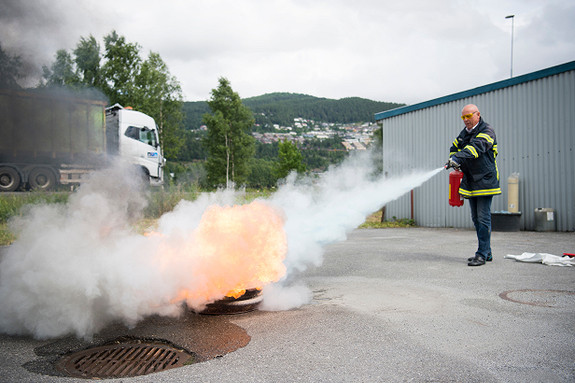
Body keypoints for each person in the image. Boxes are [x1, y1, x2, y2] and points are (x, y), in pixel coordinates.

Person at [446, 104, 500, 266]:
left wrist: (457, 158)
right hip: (470, 181)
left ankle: (482, 254)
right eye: (463, 117)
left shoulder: (487, 131)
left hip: (485, 181)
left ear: (478, 115)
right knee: (476, 218)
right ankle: (486, 252)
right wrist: (453, 159)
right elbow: (454, 148)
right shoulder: (464, 134)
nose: (466, 120)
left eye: (469, 116)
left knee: (483, 218)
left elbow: (475, 148)